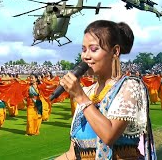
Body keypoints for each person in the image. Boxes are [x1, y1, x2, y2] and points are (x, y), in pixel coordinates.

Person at [56, 20, 156, 159]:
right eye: (83, 49)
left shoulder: (129, 86)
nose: (85, 56)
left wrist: (80, 97)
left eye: (93, 49)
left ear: (115, 51)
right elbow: (73, 154)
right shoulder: (88, 92)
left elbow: (109, 135)